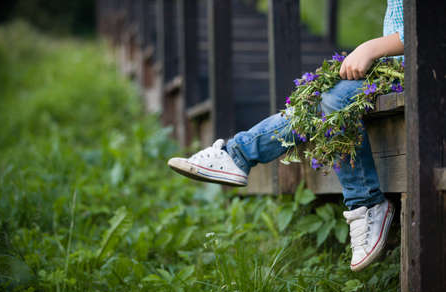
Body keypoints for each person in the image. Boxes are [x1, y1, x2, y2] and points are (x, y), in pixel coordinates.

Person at [168, 0, 404, 272]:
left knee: (331, 101)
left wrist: (370, 48)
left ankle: (367, 202)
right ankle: (237, 155)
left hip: (420, 73)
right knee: (315, 101)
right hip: (393, 69)